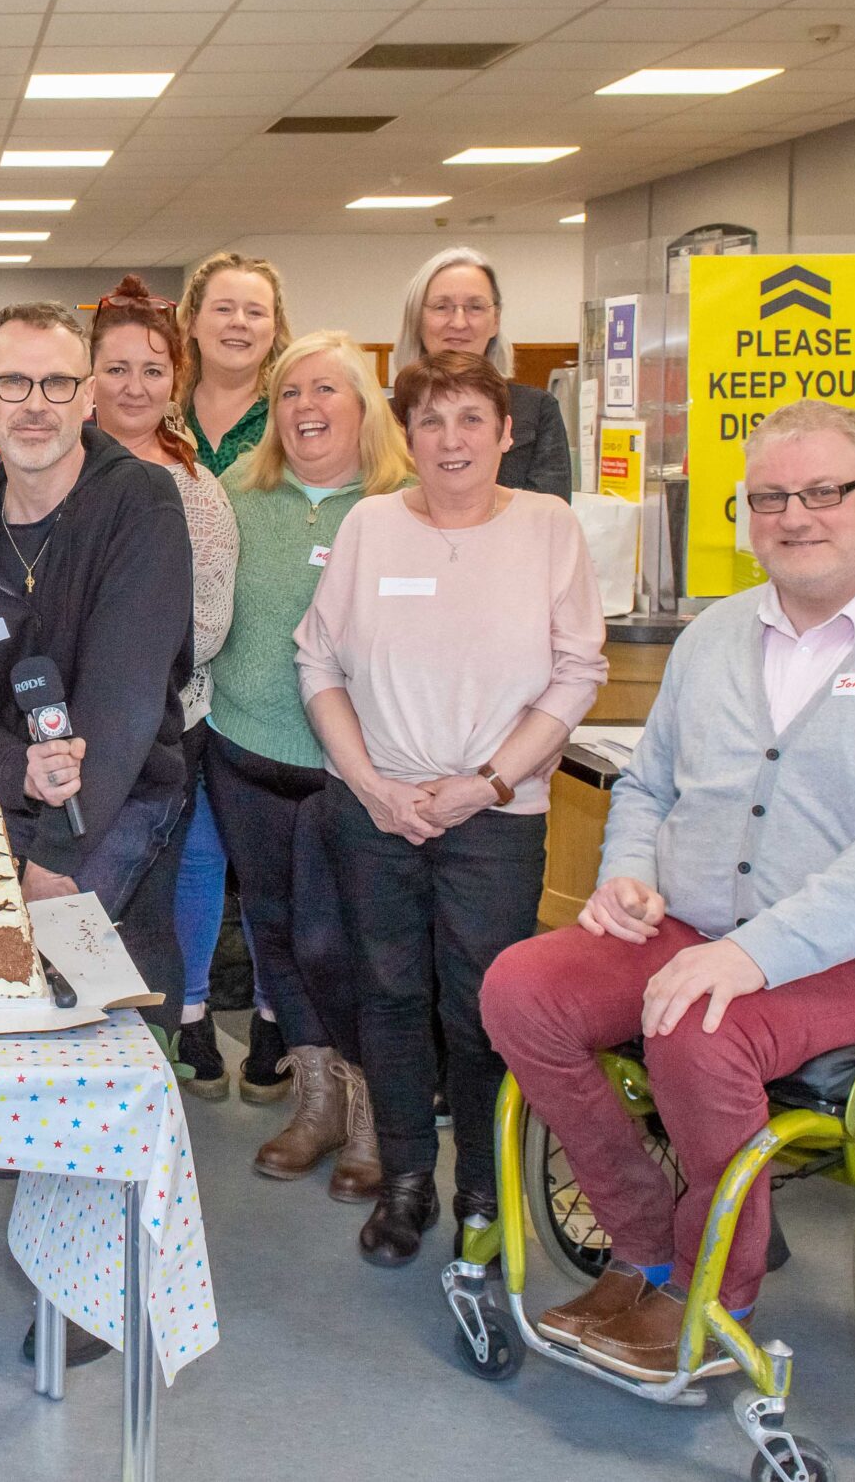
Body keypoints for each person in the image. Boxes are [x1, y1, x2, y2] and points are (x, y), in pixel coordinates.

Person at [480, 400, 855, 1380]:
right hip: (694, 919)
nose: (793, 514)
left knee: (700, 1025)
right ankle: (646, 1238)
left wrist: (751, 953)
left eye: (821, 491)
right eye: (767, 497)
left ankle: (711, 1291)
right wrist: (629, 875)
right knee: (521, 988)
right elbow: (646, 782)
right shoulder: (717, 636)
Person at [0, 300, 193, 1368]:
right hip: (16, 805)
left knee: (101, 1033)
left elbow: (126, 698)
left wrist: (54, 861)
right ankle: (68, 1223)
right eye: (12, 384)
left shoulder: (140, 506)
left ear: (88, 396)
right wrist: (15, 772)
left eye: (56, 385)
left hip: (128, 797)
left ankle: (95, 1281)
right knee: (48, 1039)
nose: (34, 406)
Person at [297, 347, 606, 1268]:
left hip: (497, 817)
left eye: (472, 418)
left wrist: (490, 781)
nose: (451, 438)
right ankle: (404, 1183)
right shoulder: (370, 525)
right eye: (430, 420)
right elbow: (319, 661)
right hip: (379, 809)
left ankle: (482, 1187)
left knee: (482, 1011)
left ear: (508, 432)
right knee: (389, 997)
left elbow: (577, 667)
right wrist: (372, 786)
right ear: (406, 434)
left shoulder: (550, 527)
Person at [211, 333, 406, 1201]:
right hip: (244, 748)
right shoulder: (234, 499)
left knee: (339, 942)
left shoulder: (401, 506)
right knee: (277, 936)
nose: (304, 406)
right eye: (289, 393)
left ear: (365, 407)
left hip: (351, 769)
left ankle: (369, 1112)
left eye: (325, 388)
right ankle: (318, 1099)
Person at [85, 276, 238, 1096]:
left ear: (173, 379)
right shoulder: (49, 469)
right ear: (88, 376)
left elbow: (208, 623)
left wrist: (115, 677)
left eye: (150, 369)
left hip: (163, 734)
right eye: (115, 369)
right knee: (59, 908)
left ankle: (137, 1093)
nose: (133, 386)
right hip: (52, 737)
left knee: (144, 916)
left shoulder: (196, 490)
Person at [392, 246, 572, 498]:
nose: (458, 322)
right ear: (417, 319)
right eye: (442, 307)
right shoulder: (385, 418)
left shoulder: (536, 409)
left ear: (495, 320)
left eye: (475, 307)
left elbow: (550, 515)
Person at [179, 250, 293, 476]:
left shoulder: (292, 413)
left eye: (255, 312)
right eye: (223, 309)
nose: (239, 322)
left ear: (275, 328)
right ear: (193, 322)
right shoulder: (162, 412)